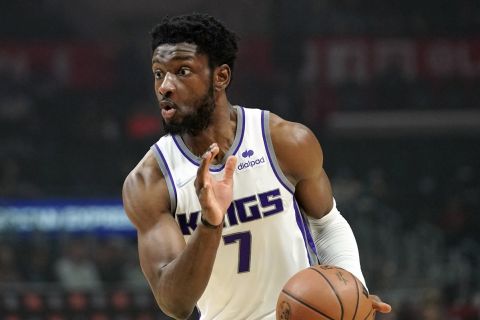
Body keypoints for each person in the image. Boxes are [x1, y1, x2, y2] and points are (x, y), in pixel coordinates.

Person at [122, 13, 391, 320]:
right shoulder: (150, 180)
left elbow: (327, 224)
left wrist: (354, 289)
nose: (165, 87)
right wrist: (210, 223)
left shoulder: (285, 140)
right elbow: (175, 304)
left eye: (182, 71)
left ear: (220, 77)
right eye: (158, 74)